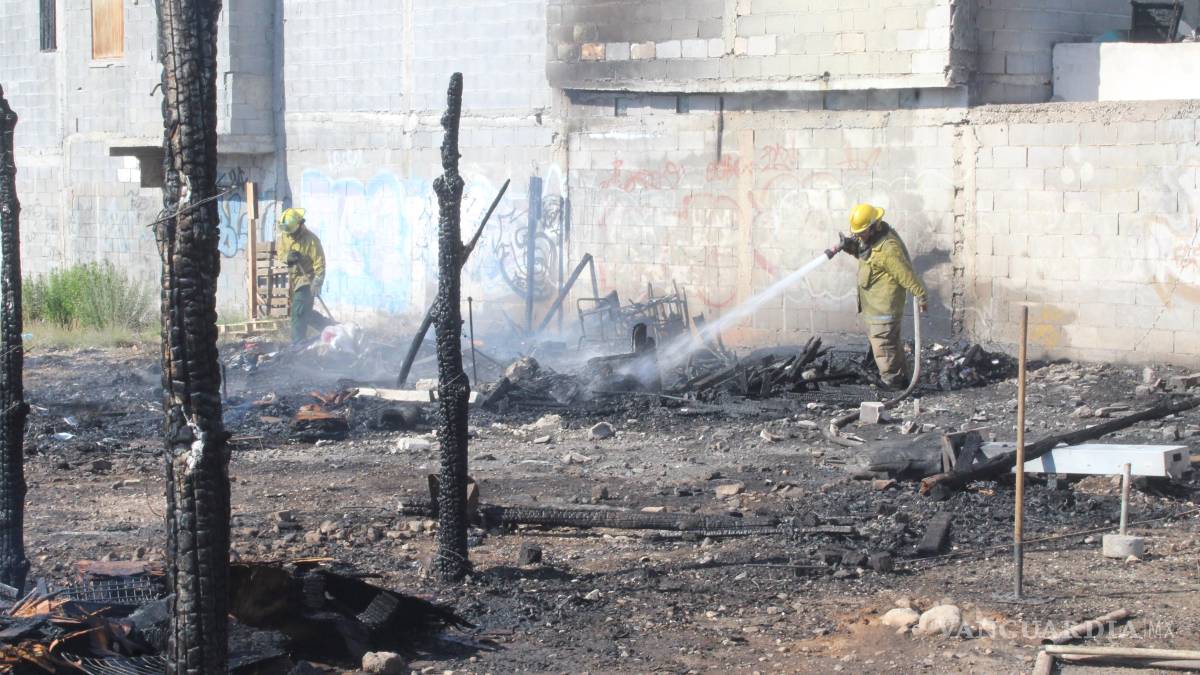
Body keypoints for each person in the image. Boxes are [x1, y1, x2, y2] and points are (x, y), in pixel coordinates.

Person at [838, 203, 929, 390]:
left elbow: (905, 273)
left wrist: (920, 295)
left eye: (861, 232)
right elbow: (866, 255)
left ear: (873, 226)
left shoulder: (888, 249)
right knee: (892, 344)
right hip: (876, 307)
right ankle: (902, 379)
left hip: (883, 309)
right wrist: (848, 246)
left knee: (884, 347)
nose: (857, 236)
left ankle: (892, 385)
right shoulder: (874, 241)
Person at [275, 207, 328, 343]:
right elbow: (280, 254)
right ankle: (332, 328)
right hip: (294, 279)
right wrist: (288, 257)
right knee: (305, 313)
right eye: (287, 232)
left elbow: (319, 263)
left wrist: (317, 282)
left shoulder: (311, 240)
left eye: (292, 232)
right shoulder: (285, 236)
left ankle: (297, 344)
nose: (290, 235)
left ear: (299, 225)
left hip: (307, 280)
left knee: (298, 312)